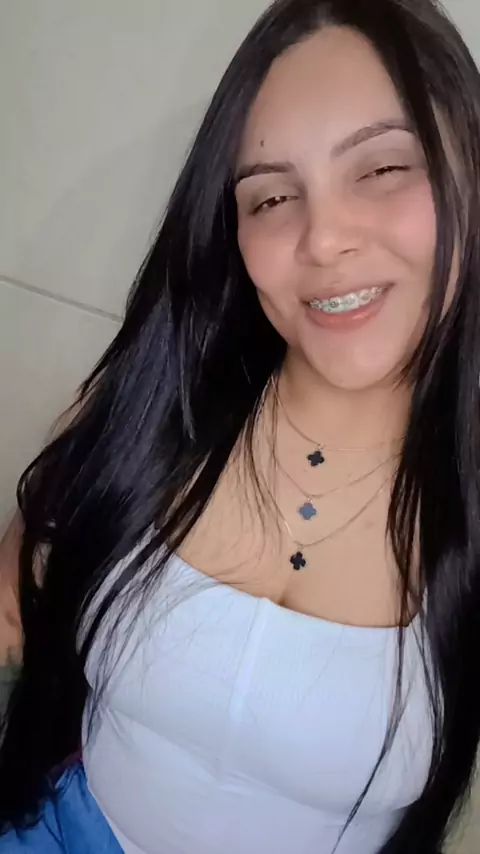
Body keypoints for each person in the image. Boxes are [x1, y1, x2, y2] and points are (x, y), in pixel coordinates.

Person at [1, 0, 480, 851]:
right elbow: (29, 558)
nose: (323, 238)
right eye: (273, 197)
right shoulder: (151, 409)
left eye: (381, 168)